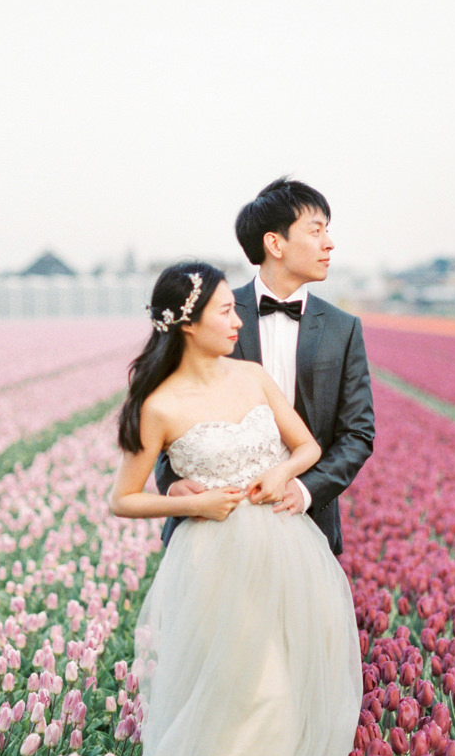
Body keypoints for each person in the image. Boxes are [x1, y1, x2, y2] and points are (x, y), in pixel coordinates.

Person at [110, 258, 364, 756]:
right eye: (224, 311)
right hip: (213, 560)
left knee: (283, 701)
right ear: (187, 324)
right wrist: (187, 503)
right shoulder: (159, 406)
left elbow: (308, 444)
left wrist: (280, 472)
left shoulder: (252, 378)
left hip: (284, 552)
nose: (236, 320)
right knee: (230, 709)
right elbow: (122, 498)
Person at [157, 177, 375, 557]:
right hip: (212, 527)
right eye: (316, 230)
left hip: (305, 522)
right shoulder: (211, 315)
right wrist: (172, 482)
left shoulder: (343, 328)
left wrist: (304, 489)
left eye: (328, 230)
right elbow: (169, 407)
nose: (329, 243)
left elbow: (358, 432)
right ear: (275, 243)